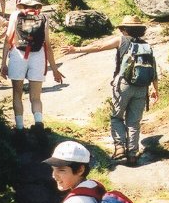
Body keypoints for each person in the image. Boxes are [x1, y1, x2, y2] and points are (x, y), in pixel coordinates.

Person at [64, 16, 158, 166]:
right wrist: (155, 89)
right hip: (142, 87)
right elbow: (153, 68)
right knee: (134, 122)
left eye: (122, 28)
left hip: (123, 85)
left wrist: (76, 49)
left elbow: (99, 46)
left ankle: (120, 148)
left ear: (125, 29)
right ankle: (132, 154)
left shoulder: (121, 40)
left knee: (116, 117)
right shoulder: (146, 45)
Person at [1, 0, 62, 137]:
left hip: (18, 55)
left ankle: (20, 129)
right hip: (38, 56)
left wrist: (3, 63)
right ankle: (39, 125)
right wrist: (54, 70)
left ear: (22, 4)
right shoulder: (44, 17)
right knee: (36, 97)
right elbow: (48, 45)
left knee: (17, 94)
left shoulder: (15, 15)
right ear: (37, 5)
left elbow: (8, 40)